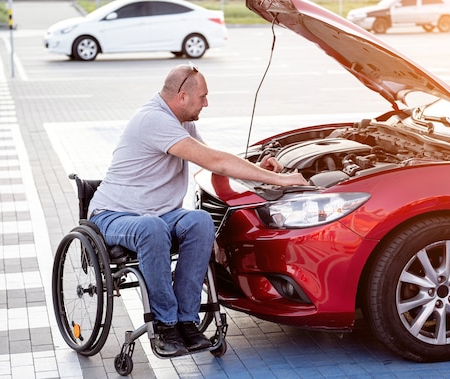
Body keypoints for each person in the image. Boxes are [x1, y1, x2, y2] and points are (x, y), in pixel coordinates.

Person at [88, 63, 308, 357]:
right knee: (151, 228)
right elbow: (216, 161)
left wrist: (258, 168)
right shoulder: (153, 119)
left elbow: (212, 161)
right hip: (114, 216)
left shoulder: (181, 122)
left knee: (200, 222)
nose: (207, 102)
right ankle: (166, 324)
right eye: (202, 96)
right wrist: (281, 179)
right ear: (182, 96)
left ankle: (187, 321)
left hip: (159, 216)